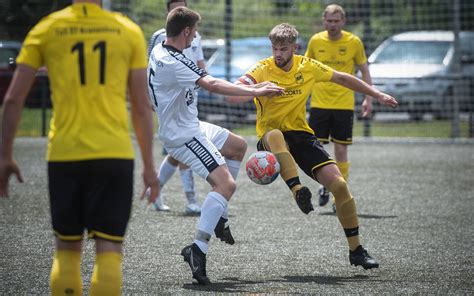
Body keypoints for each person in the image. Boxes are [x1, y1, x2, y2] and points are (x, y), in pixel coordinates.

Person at [0, 1, 160, 295]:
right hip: (114, 154)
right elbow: (141, 105)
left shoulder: (47, 28)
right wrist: (150, 167)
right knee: (110, 249)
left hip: (65, 154)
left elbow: (12, 99)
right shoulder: (127, 30)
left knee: (67, 249)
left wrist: (4, 155)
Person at [226, 23, 398, 270]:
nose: (278, 54)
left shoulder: (307, 66)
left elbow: (343, 78)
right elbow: (233, 95)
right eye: (274, 48)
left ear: (295, 48)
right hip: (270, 139)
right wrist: (259, 88)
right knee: (275, 134)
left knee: (339, 186)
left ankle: (356, 250)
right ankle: (298, 190)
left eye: (283, 49)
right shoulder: (262, 69)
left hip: (301, 135)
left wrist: (376, 94)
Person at [148, 7, 284, 284]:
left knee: (236, 146)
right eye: (194, 32)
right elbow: (211, 84)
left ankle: (219, 216)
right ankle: (197, 249)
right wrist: (256, 90)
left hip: (190, 125)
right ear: (186, 31)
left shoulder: (159, 49)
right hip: (183, 134)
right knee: (226, 185)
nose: (196, 36)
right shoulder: (175, 61)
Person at [305, 4, 373, 210]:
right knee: (316, 149)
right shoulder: (316, 41)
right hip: (319, 103)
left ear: (343, 22)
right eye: (329, 21)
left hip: (344, 104)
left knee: (341, 149)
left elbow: (364, 70)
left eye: (337, 21)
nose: (333, 25)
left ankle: (339, 195)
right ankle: (326, 185)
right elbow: (305, 70)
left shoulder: (353, 42)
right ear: (324, 21)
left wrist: (368, 98)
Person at [147, 0, 205, 214]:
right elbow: (149, 68)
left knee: (177, 153)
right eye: (175, 8)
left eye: (183, 7)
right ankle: (191, 200)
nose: (179, 12)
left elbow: (200, 65)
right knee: (183, 148)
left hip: (190, 98)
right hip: (170, 102)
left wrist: (205, 83)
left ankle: (156, 190)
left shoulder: (195, 35)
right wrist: (150, 99)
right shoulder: (159, 37)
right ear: (168, 13)